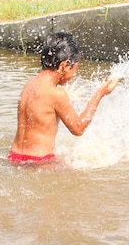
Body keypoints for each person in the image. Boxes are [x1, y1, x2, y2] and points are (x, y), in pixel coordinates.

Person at [8, 32, 121, 165]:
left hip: (15, 158)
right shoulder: (57, 94)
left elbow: (41, 112)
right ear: (65, 65)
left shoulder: (29, 85)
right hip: (41, 162)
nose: (75, 74)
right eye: (75, 68)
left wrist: (65, 100)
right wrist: (100, 93)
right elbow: (78, 128)